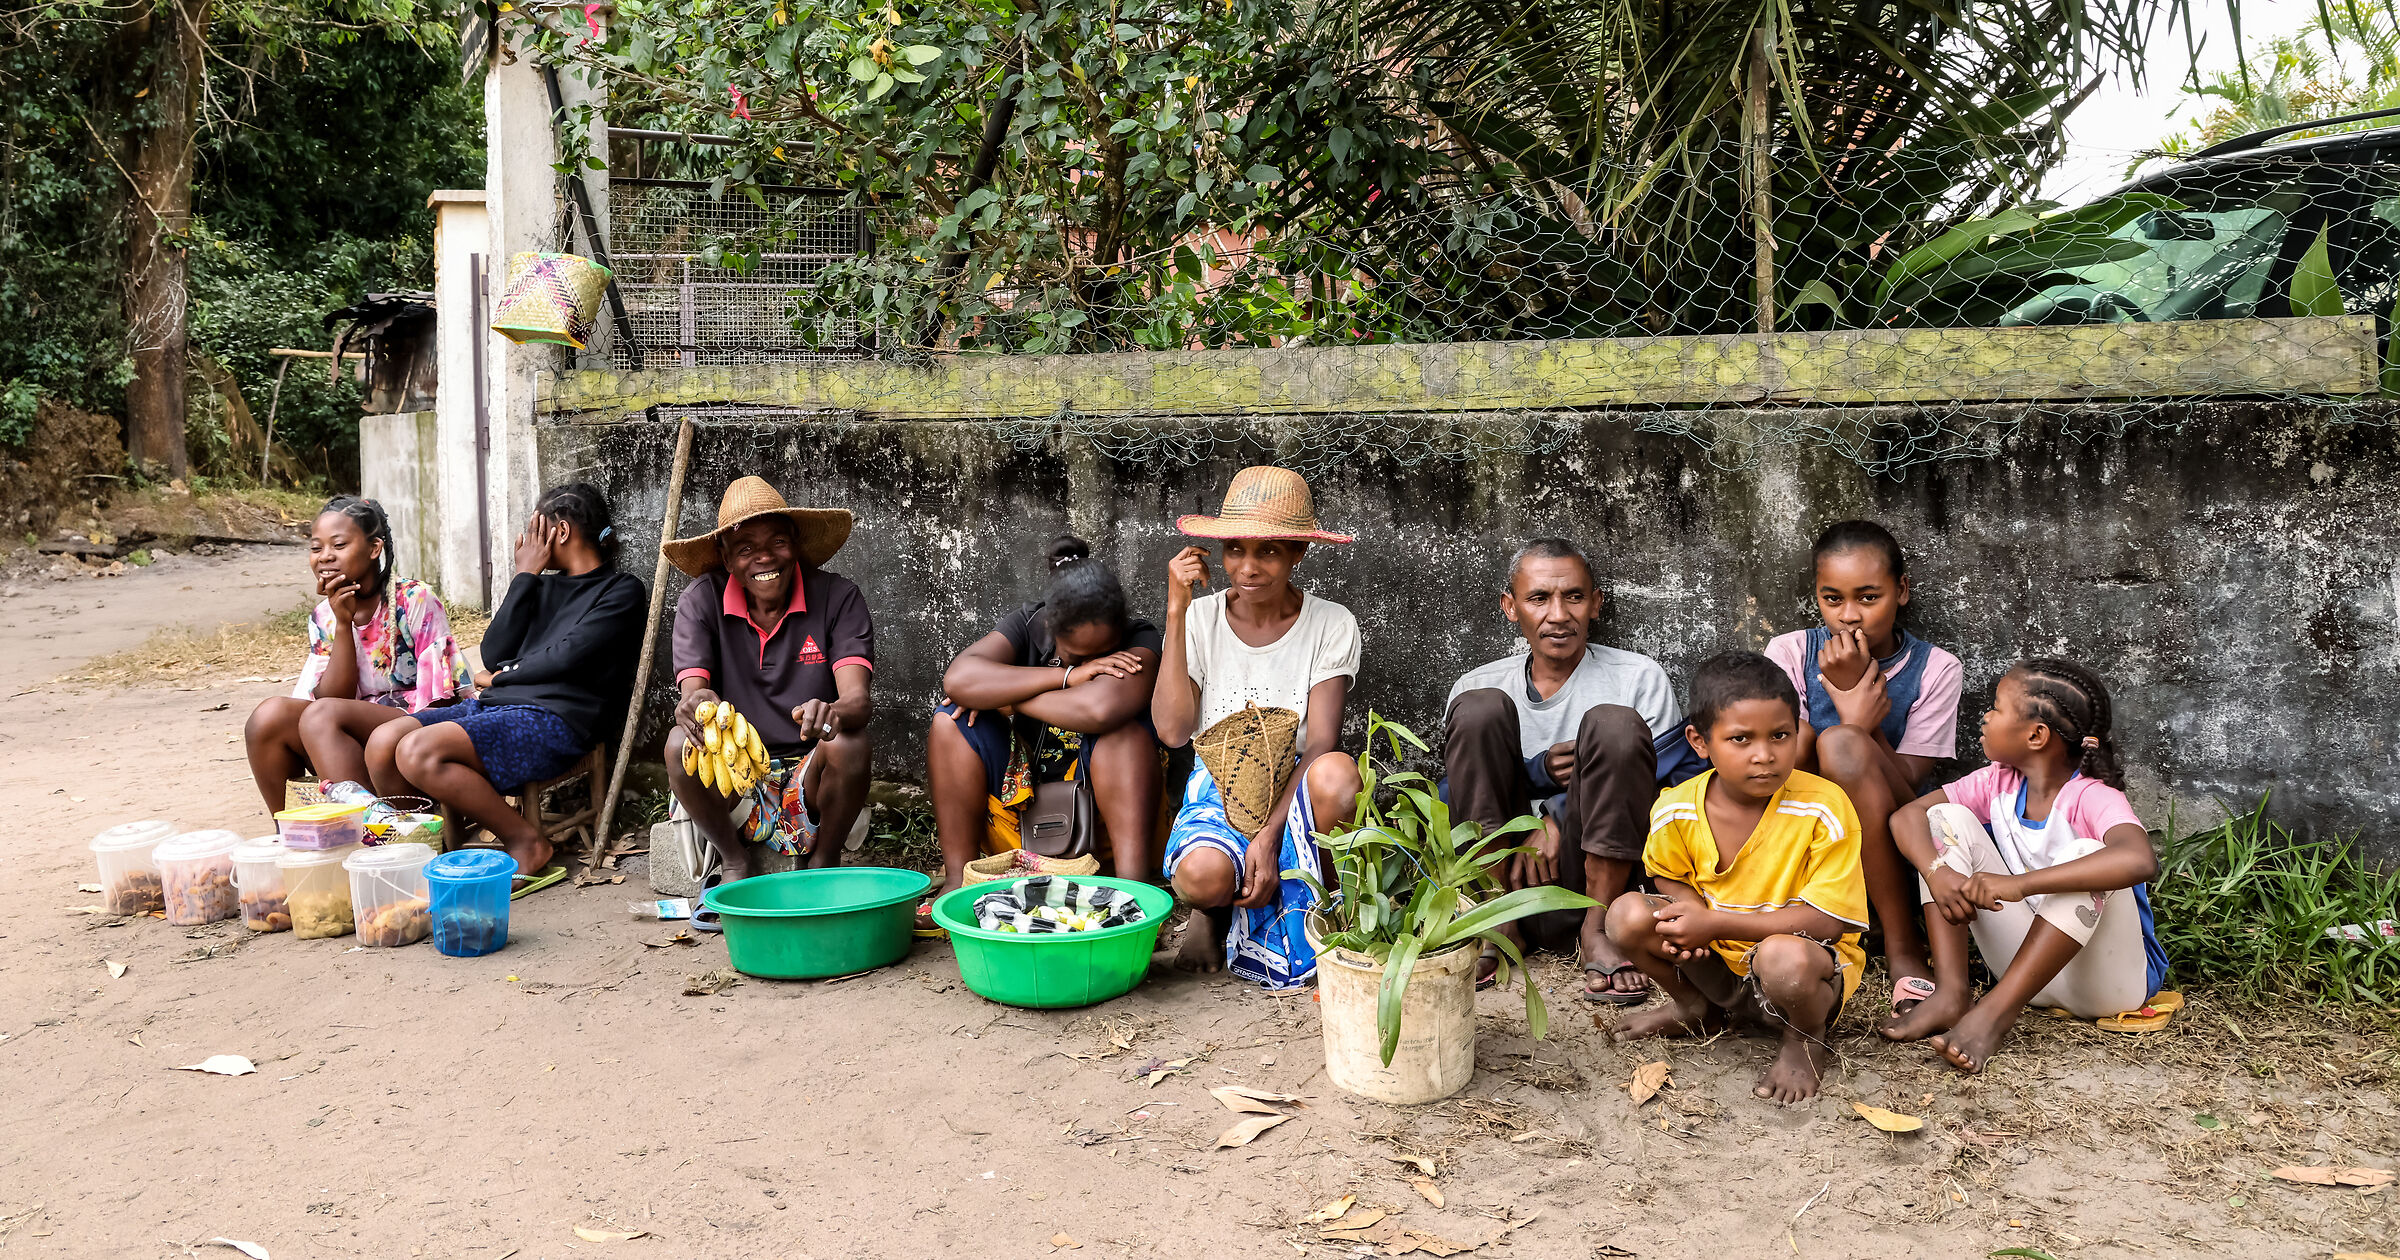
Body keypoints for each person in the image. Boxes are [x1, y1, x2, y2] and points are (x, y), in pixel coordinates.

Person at [1878, 659, 2167, 1073]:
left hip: (2108, 984)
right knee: (1943, 821)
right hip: (2029, 974)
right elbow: (1906, 817)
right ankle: (1953, 993)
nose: (1984, 716)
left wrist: (2020, 885)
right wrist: (1937, 872)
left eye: (1995, 707)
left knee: (2087, 854)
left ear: (2036, 735)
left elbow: (2139, 859)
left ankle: (1993, 1014)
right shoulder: (1997, 781)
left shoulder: (2090, 796)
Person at [1606, 651, 1868, 1104]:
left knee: (1783, 959)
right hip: (1717, 962)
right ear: (1700, 741)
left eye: (1780, 736)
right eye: (1741, 739)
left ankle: (1803, 1039)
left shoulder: (1824, 807)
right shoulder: (1676, 808)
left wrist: (1715, 922)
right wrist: (1689, 913)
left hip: (1802, 974)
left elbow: (1829, 920)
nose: (1764, 756)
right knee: (1627, 914)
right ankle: (1696, 1007)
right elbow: (1666, 875)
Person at [1443, 538, 1687, 1005]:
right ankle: (1498, 918)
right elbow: (1457, 791)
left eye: (1573, 596)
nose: (1558, 614)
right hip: (1505, 870)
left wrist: (1556, 813)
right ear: (1510, 607)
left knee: (1614, 725)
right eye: (1539, 598)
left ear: (1595, 603)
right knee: (1477, 711)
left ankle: (1599, 929)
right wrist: (1534, 788)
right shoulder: (1479, 684)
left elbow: (1667, 785)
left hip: (1597, 875)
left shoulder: (1637, 678)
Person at [365, 484, 647, 886]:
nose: (525, 541)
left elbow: (566, 656)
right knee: (383, 743)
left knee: (417, 751)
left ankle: (526, 842)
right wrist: (524, 576)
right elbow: (494, 651)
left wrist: (501, 677)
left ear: (559, 532)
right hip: (497, 708)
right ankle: (428, 850)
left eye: (533, 529)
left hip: (556, 720)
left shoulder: (621, 591)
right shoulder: (538, 585)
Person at [1154, 466, 1364, 988]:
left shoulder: (1330, 623)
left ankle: (1324, 906)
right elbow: (1173, 731)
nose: (1248, 567)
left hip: (1298, 786)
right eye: (1235, 550)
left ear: (1299, 554)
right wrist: (1177, 614)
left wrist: (1270, 837)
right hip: (1221, 786)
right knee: (1203, 877)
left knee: (1339, 777)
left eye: (1268, 550)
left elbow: (1321, 742)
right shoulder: (1201, 620)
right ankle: (1214, 911)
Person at [1763, 520, 1963, 1019]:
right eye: (1832, 599)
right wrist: (1850, 718)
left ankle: (1902, 948)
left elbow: (1910, 786)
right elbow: (1777, 762)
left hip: (1890, 832)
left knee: (1844, 745)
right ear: (1816, 595)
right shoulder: (1789, 653)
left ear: (1902, 591)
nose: (1848, 617)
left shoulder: (1936, 669)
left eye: (1868, 598)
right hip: (1801, 829)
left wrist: (1860, 724)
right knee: (1811, 737)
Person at [924, 536, 1163, 925]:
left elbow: (1099, 709)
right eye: (1074, 654)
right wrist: (1067, 677)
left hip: (1105, 822)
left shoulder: (1141, 638)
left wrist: (1008, 697)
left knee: (1124, 735)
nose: (1089, 662)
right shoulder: (1029, 623)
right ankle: (958, 881)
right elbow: (959, 679)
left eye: (1099, 654)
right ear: (1051, 624)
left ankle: (1133, 893)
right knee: (950, 719)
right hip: (1025, 808)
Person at [661, 476, 873, 896]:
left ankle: (823, 859)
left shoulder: (838, 597)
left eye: (777, 542)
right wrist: (698, 700)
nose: (764, 558)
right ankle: (735, 860)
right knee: (676, 746)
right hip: (734, 776)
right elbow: (695, 690)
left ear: (794, 543)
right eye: (745, 549)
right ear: (725, 558)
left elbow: (857, 700)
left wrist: (832, 712)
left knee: (849, 742)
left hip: (809, 774)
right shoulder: (701, 600)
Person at [243, 495, 473, 816]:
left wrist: (381, 736)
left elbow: (444, 702)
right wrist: (342, 624)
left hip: (420, 726)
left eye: (338, 545)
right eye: (316, 548)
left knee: (321, 717)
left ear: (374, 549)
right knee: (269, 718)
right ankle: (293, 832)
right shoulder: (324, 616)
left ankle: (376, 825)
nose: (325, 557)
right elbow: (332, 697)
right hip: (341, 732)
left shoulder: (414, 599)